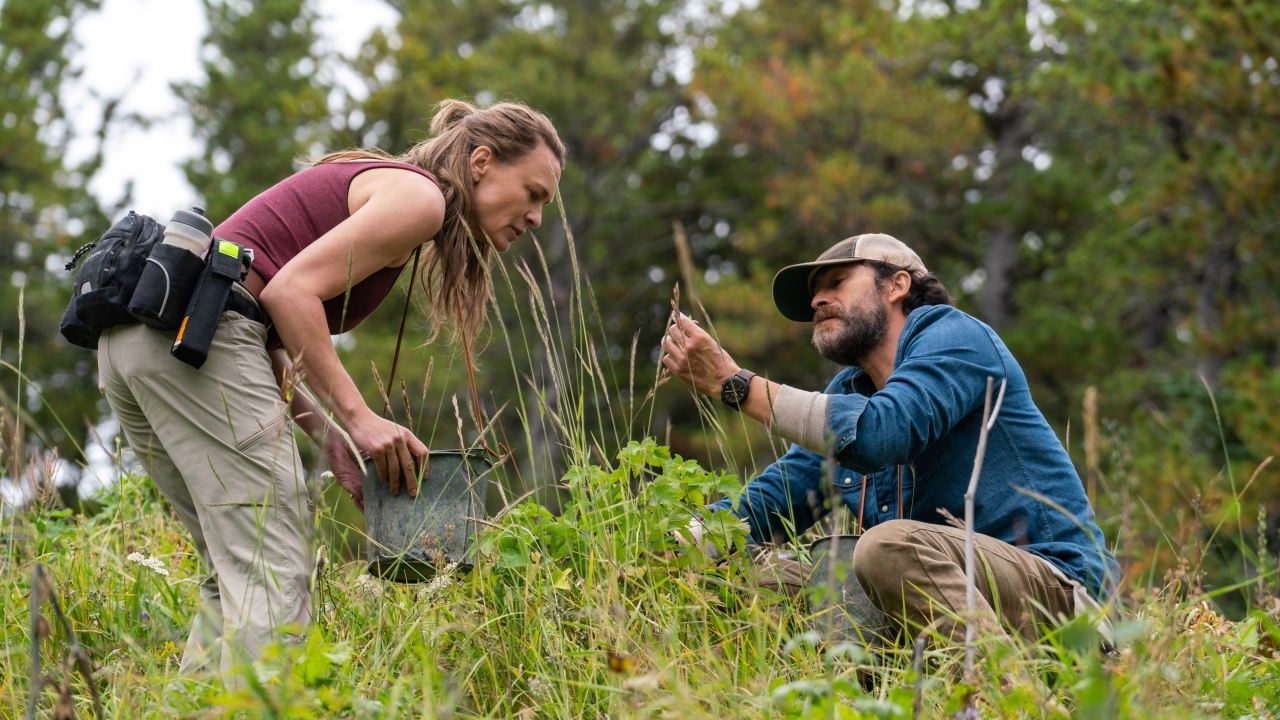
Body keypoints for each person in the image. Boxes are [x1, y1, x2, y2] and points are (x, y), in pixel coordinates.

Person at [97, 99, 565, 674]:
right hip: (200, 340)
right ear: (482, 162)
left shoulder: (387, 188)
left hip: (143, 343)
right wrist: (362, 419)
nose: (538, 217)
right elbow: (285, 295)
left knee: (236, 569)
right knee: (271, 562)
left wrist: (331, 437)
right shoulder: (418, 200)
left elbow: (264, 321)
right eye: (535, 193)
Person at [661, 233, 1118, 646]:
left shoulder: (955, 336)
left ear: (897, 285)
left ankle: (1008, 699)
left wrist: (734, 384)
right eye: (814, 294)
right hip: (940, 608)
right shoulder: (848, 394)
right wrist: (666, 547)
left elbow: (884, 433)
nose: (818, 300)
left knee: (886, 547)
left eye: (837, 282)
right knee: (738, 575)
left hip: (1059, 595)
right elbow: (770, 502)